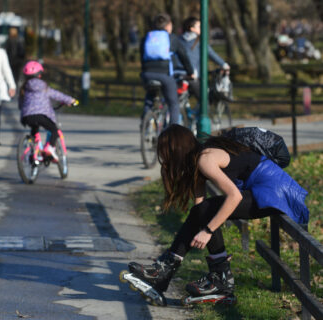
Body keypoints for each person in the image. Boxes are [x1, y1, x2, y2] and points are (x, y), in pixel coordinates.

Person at [128, 124, 309, 302]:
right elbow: (200, 211)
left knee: (209, 210)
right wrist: (197, 234)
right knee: (204, 211)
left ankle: (180, 273)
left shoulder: (205, 159)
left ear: (175, 151)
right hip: (265, 190)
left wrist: (207, 232)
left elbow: (234, 196)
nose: (163, 159)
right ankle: (195, 274)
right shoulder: (198, 162)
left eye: (164, 153)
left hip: (275, 192)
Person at [140, 13, 195, 124]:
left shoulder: (147, 37)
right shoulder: (172, 38)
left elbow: (142, 56)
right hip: (164, 75)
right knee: (173, 103)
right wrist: (191, 72)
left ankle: (146, 123)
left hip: (147, 74)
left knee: (150, 98)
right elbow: (183, 56)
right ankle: (172, 133)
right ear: (168, 26)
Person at [19, 61, 77, 161]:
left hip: (27, 116)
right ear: (40, 75)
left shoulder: (24, 88)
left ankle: (33, 153)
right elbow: (58, 95)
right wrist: (71, 101)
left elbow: (21, 104)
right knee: (54, 130)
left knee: (34, 129)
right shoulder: (44, 87)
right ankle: (50, 148)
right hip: (42, 115)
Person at [173, 16, 230, 100]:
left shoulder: (177, 40)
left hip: (176, 73)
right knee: (205, 99)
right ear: (192, 29)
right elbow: (211, 54)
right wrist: (224, 64)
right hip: (192, 75)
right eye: (199, 26)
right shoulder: (199, 41)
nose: (201, 28)